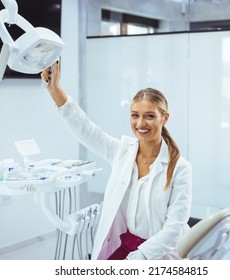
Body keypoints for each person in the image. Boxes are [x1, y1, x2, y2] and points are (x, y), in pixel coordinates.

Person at [41, 61, 192, 260]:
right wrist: (55, 90)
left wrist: (139, 257)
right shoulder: (123, 151)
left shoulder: (180, 168)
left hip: (158, 256)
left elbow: (174, 229)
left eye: (149, 116)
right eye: (135, 116)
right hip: (126, 246)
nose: (140, 123)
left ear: (164, 118)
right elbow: (86, 130)